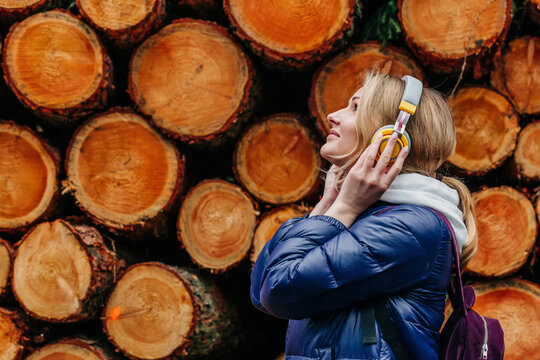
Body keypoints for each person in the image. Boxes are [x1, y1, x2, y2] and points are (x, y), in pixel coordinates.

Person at [250, 71, 478, 360]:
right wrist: (327, 207)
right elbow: (260, 292)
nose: (333, 115)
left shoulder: (412, 227)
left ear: (391, 137)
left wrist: (343, 208)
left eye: (355, 107)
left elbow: (279, 290)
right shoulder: (363, 212)